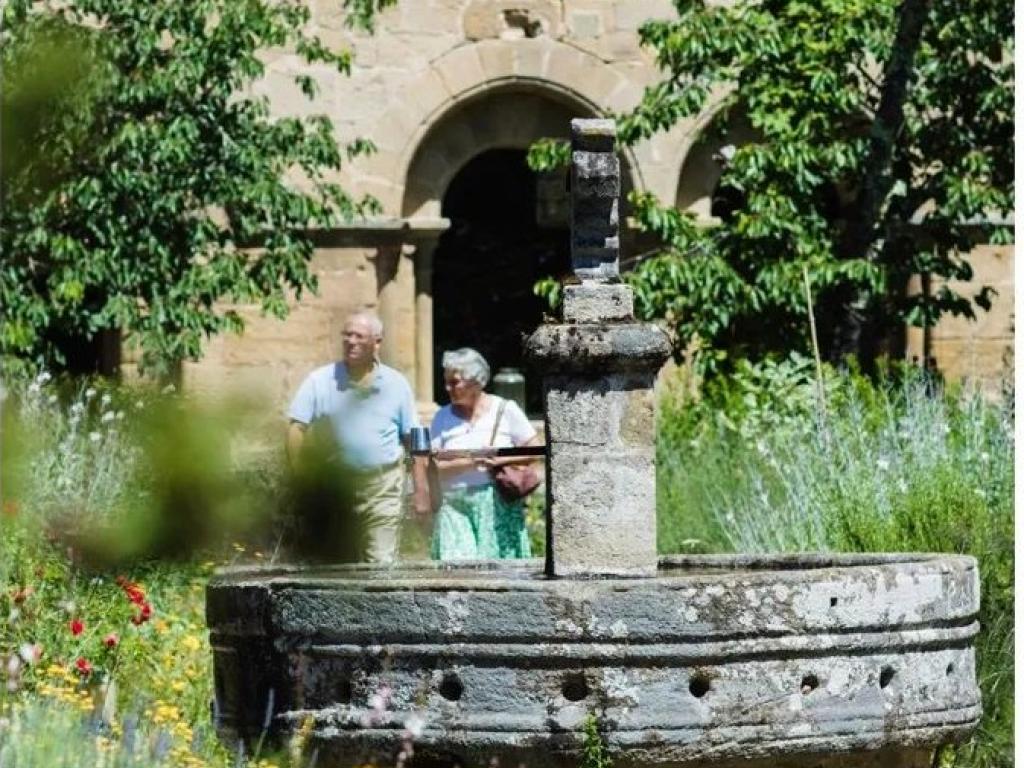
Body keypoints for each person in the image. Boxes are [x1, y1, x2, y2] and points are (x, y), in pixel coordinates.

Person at [286, 312, 427, 563]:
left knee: (380, 564)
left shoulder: (396, 384)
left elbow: (413, 439)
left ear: (377, 342)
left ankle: (381, 601)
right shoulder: (321, 380)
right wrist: (300, 478)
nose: (351, 341)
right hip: (337, 488)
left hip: (383, 486)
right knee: (337, 565)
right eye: (347, 335)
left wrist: (420, 490)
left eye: (359, 336)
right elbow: (296, 427)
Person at [429, 347, 541, 560]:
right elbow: (434, 466)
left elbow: (533, 450)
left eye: (455, 382)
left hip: (497, 502)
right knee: (456, 567)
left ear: (475, 381)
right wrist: (471, 461)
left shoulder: (505, 410)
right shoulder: (442, 417)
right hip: (454, 505)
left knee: (499, 566)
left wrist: (500, 459)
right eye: (446, 381)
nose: (447, 388)